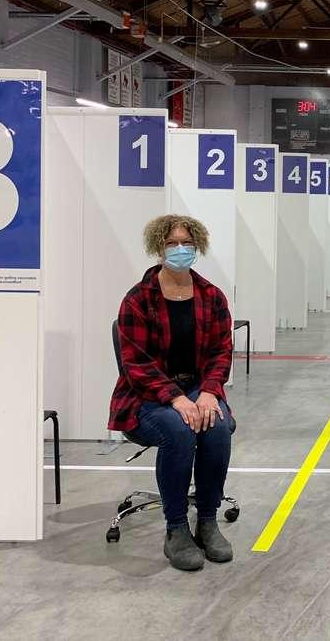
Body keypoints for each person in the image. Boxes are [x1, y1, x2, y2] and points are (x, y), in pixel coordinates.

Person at [108, 215, 236, 571]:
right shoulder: (138, 299)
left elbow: (221, 351)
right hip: (146, 397)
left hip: (199, 390)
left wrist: (209, 392)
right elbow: (135, 364)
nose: (180, 249)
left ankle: (207, 522)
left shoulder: (211, 296)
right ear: (158, 248)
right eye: (171, 243)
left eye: (187, 243)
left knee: (217, 427)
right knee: (179, 432)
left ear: (198, 246)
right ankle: (176, 529)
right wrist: (176, 398)